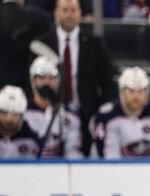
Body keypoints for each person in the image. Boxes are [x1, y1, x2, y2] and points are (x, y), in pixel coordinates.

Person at [36, 0, 115, 157]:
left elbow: (108, 83)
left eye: (73, 10)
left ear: (80, 13)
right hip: (50, 117)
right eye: (64, 10)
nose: (69, 14)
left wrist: (98, 114)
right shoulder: (41, 44)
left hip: (85, 116)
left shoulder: (95, 44)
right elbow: (32, 82)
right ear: (56, 13)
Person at [89, 67, 150, 158]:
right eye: (131, 91)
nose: (136, 96)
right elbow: (108, 159)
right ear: (122, 92)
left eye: (140, 91)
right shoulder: (105, 117)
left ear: (147, 93)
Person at [25, 56, 83, 158]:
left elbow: (73, 152)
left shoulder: (69, 116)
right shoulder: (22, 113)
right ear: (33, 81)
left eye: (51, 78)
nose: (47, 82)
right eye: (42, 77)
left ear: (58, 81)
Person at [0, 85, 40, 158]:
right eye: (4, 112)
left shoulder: (31, 139)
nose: (9, 119)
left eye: (15, 114)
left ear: (22, 115)